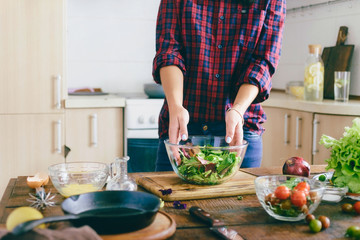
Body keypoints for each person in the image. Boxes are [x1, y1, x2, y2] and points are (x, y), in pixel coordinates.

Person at [152, 0, 286, 171]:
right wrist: (176, 106)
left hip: (240, 128)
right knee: (168, 197)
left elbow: (263, 62)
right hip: (182, 131)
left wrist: (237, 109)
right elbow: (169, 52)